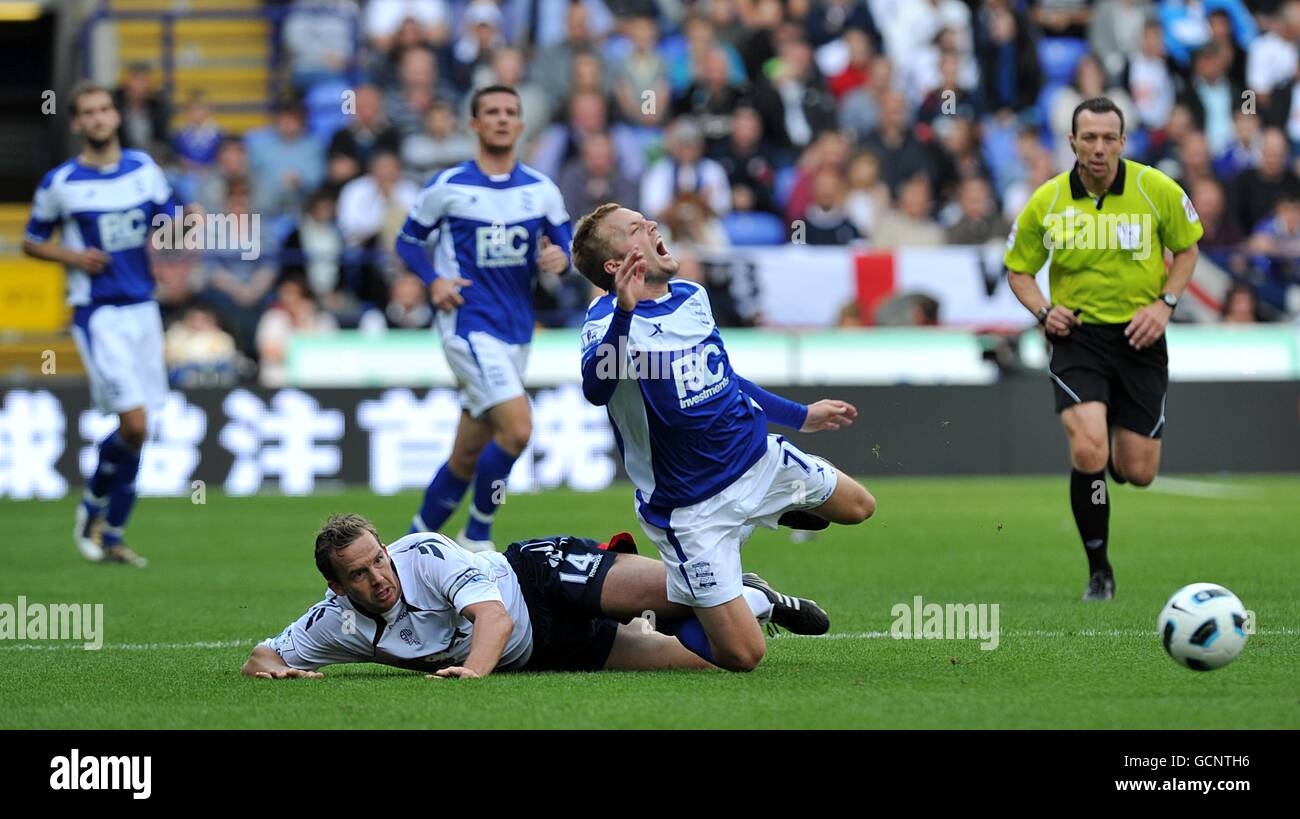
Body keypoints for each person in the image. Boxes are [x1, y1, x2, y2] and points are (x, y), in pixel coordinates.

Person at [569, 203, 876, 671]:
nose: (651, 224)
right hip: (690, 508)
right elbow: (596, 388)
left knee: (859, 508)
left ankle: (773, 509)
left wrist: (800, 416)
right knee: (743, 656)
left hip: (755, 461)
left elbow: (726, 377)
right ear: (615, 266)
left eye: (646, 219)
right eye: (635, 228)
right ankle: (751, 597)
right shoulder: (605, 320)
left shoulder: (692, 295)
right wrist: (627, 314)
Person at [1004, 97, 1204, 602]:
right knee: (1088, 446)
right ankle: (1099, 570)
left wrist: (1166, 304)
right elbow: (1019, 269)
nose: (1098, 148)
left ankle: (1116, 439)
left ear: (1122, 141)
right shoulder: (1046, 200)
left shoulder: (1155, 188)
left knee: (1138, 472)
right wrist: (1044, 312)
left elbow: (1188, 248)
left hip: (1142, 337)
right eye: (1088, 137)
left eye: (1108, 138)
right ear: (1071, 141)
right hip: (1079, 337)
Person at [241, 514, 825, 678]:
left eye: (378, 559)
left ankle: (725, 580)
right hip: (545, 649)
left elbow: (491, 619)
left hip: (537, 578)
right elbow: (262, 656)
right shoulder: (334, 624)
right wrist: (281, 671)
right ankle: (756, 601)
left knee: (678, 591)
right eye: (360, 575)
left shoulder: (421, 553)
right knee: (730, 656)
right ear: (337, 588)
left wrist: (471, 673)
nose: (378, 577)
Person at [22, 81, 197, 567]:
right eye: (88, 112)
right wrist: (72, 255)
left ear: (116, 117)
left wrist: (186, 222)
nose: (98, 118)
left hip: (143, 306)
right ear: (77, 123)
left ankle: (113, 532)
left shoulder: (143, 168)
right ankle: (94, 507)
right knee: (134, 422)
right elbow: (32, 240)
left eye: (105, 109)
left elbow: (169, 218)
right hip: (97, 312)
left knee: (142, 427)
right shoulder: (62, 182)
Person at [395, 85, 573, 551]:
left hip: (517, 330)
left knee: (466, 455)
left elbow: (570, 243)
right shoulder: (449, 186)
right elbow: (407, 242)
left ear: (520, 125)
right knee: (517, 429)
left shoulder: (540, 191)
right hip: (468, 324)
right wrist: (433, 280)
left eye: (510, 112)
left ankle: (409, 550)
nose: (501, 119)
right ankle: (477, 535)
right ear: (473, 124)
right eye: (491, 112)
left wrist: (563, 258)